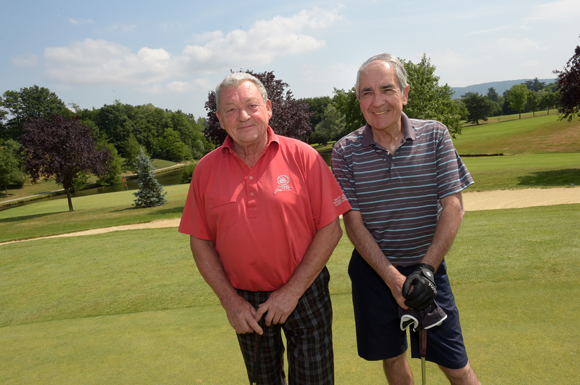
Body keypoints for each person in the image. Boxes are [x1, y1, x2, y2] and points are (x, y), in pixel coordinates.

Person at [179, 72, 351, 385]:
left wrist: (292, 291)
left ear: (268, 108)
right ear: (219, 118)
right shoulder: (205, 170)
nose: (243, 116)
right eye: (231, 110)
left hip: (305, 293)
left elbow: (331, 228)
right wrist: (230, 302)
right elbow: (200, 242)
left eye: (251, 105)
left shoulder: (303, 156)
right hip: (245, 302)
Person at [331, 53, 480, 385]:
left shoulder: (436, 135)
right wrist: (392, 278)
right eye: (366, 92)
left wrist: (426, 270)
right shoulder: (344, 151)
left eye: (386, 89)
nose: (377, 101)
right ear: (358, 100)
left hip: (428, 267)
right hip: (374, 272)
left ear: (405, 93)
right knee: (393, 358)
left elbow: (453, 206)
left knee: (457, 365)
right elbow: (353, 223)